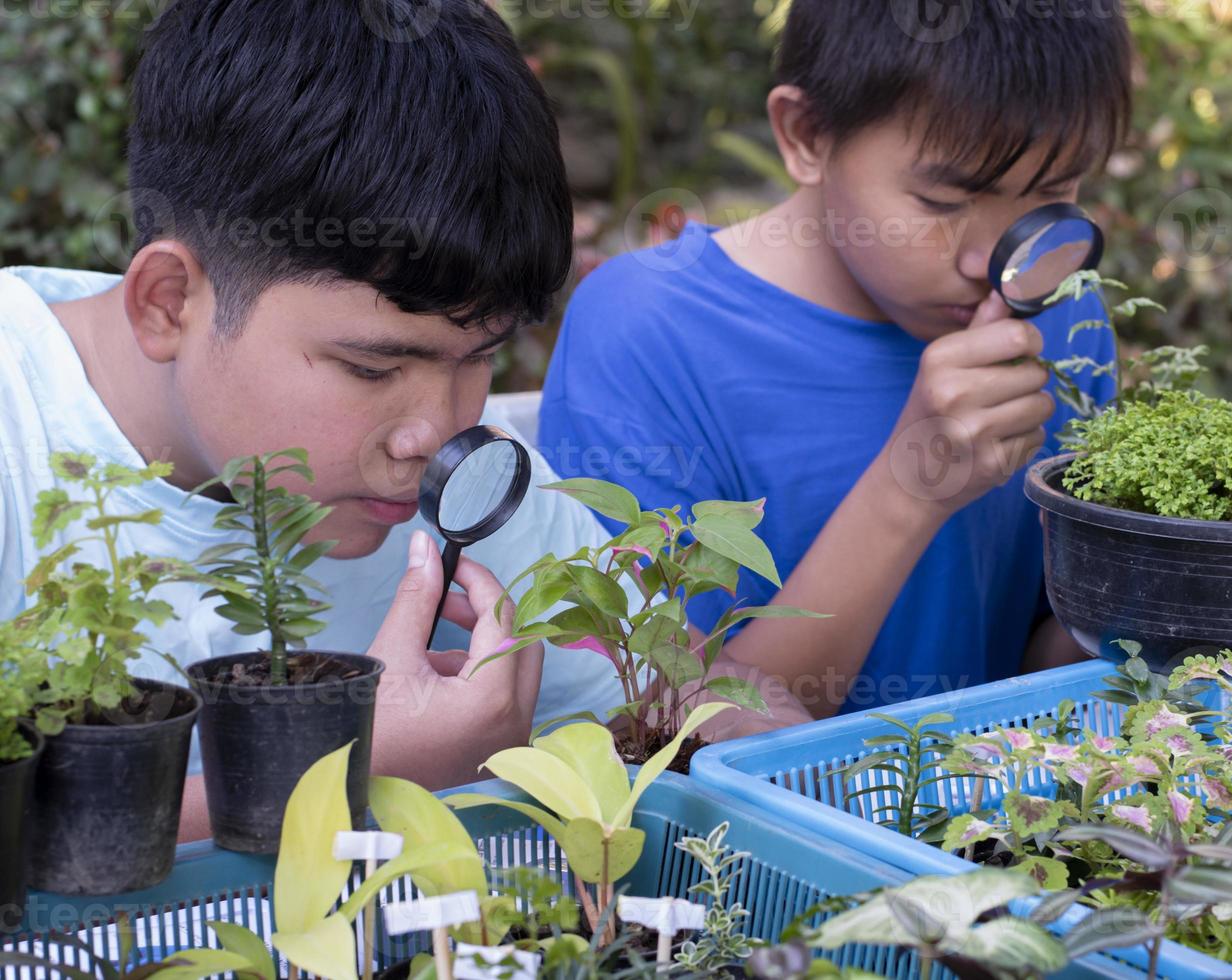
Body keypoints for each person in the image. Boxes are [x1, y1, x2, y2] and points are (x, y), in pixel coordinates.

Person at [0, 0, 797, 843]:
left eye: (478, 357)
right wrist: (359, 773)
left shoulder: (486, 497)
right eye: (373, 368)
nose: (435, 434)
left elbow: (707, 707)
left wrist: (708, 729)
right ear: (170, 301)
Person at [539, 0, 1133, 718]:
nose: (992, 261)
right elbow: (669, 736)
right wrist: (909, 491)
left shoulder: (1061, 314)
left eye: (1051, 197)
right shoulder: (643, 332)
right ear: (807, 134)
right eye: (943, 201)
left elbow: (1043, 669)